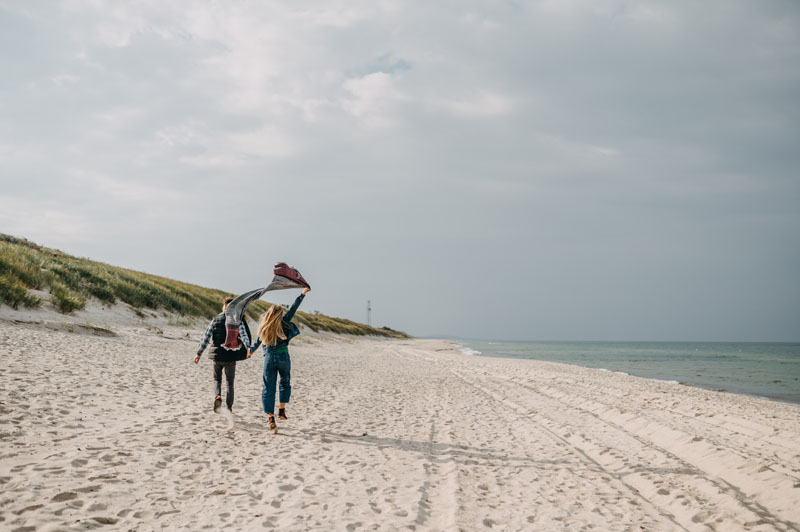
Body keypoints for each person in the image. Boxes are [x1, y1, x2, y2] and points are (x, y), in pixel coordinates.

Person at [248, 287, 310, 433]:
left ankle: (271, 418)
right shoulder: (284, 322)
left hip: (269, 359)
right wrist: (302, 294)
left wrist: (250, 351)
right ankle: (281, 410)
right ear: (279, 315)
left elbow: (257, 341)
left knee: (268, 387)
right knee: (284, 382)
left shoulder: (264, 327)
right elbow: (293, 309)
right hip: (283, 357)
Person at [194, 297, 252, 413]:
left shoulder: (215, 319)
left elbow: (206, 337)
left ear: (225, 306)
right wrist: (249, 348)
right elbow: (244, 335)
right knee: (230, 383)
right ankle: (229, 408)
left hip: (217, 356)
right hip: (231, 356)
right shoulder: (236, 321)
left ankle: (218, 396)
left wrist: (198, 353)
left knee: (217, 379)